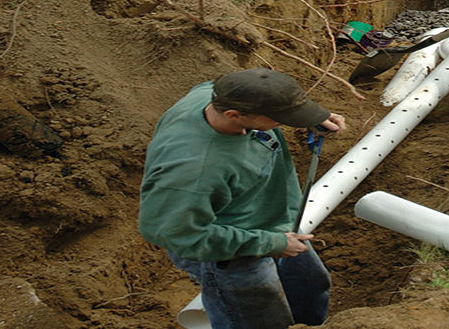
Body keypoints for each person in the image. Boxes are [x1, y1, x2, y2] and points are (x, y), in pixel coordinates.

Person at [139, 68, 347, 329]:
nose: (284, 123)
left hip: (272, 221)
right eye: (279, 118)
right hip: (228, 250)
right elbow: (175, 233)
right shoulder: (194, 171)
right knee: (258, 318)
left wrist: (309, 117)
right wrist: (270, 243)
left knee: (309, 284)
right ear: (234, 115)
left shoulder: (216, 95)